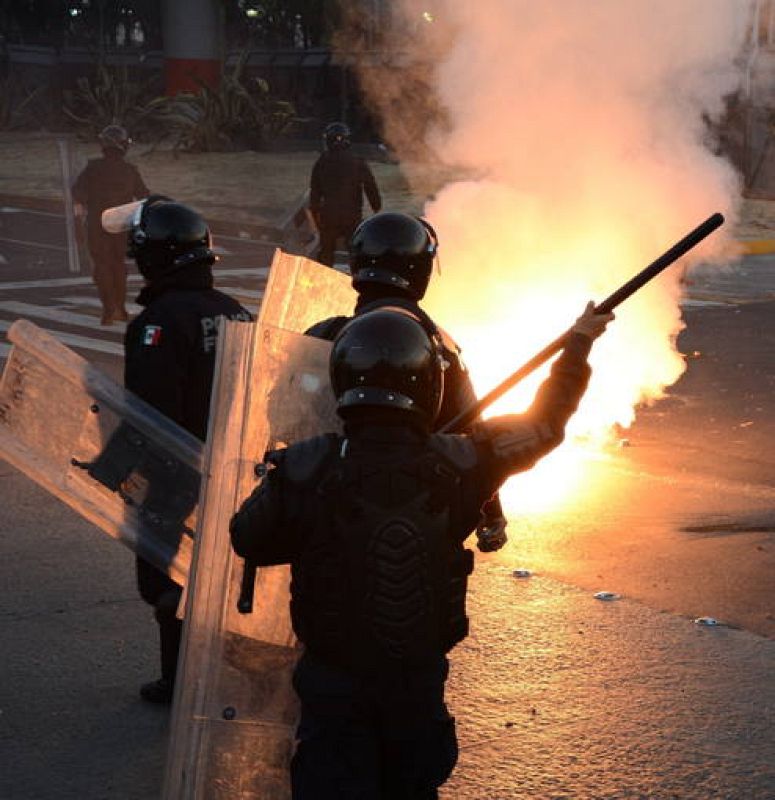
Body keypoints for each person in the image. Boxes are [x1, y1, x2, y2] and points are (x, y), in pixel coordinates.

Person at [230, 302, 613, 798]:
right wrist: (578, 343)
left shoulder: (306, 467)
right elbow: (545, 424)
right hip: (414, 686)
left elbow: (248, 539)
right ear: (428, 383)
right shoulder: (464, 461)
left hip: (334, 686)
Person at [306, 210, 508, 552]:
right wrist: (493, 513)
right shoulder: (440, 347)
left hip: (332, 510)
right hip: (418, 514)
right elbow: (472, 435)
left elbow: (279, 419)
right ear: (421, 269)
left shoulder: (323, 336)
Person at [117, 197, 252, 704]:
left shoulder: (159, 322)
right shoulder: (235, 312)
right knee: (224, 570)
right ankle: (225, 670)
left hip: (179, 473)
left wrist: (116, 469)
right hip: (238, 468)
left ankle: (180, 679)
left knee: (168, 577)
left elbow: (149, 413)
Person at [72, 124, 149, 326]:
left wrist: (78, 224)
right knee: (118, 266)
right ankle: (120, 307)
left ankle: (108, 309)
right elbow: (144, 197)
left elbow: (78, 196)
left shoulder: (93, 168)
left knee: (102, 266)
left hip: (97, 225)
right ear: (124, 145)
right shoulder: (130, 171)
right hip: (122, 225)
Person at [309, 121, 382, 267]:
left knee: (326, 252)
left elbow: (315, 192)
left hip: (329, 216)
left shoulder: (322, 162)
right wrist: (376, 206)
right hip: (352, 215)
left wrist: (315, 215)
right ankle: (358, 281)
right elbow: (370, 186)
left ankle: (323, 281)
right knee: (355, 252)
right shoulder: (357, 161)